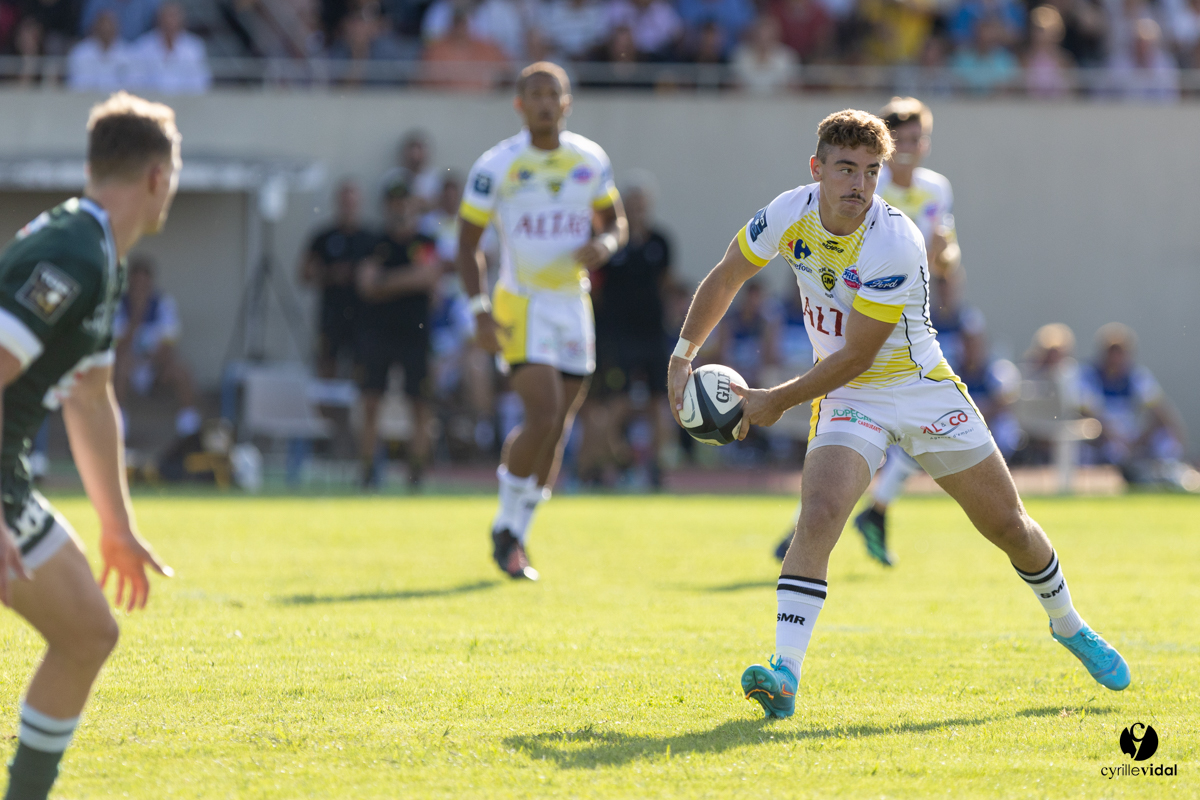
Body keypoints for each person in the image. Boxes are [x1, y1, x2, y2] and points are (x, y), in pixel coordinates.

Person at [666, 109, 1129, 720]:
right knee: (820, 512)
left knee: (1007, 525)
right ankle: (785, 673)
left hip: (920, 389)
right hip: (849, 397)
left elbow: (858, 355)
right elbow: (728, 275)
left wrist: (775, 400)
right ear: (817, 169)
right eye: (846, 169)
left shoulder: (895, 240)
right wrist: (682, 356)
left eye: (871, 171)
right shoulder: (787, 212)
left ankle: (1067, 623)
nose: (859, 184)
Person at [0, 91, 174, 800]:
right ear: (158, 177)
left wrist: (116, 527)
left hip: (8, 480)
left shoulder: (99, 251)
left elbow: (93, 397)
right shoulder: (75, 253)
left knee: (86, 633)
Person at [774, 96, 962, 566]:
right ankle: (815, 523)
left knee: (924, 429)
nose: (915, 147)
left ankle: (872, 511)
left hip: (912, 321)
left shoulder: (936, 189)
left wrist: (947, 257)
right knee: (850, 433)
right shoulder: (868, 190)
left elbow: (946, 252)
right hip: (857, 320)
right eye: (906, 139)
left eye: (921, 138)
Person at [456, 61, 626, 580]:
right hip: (522, 302)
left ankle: (517, 535)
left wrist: (605, 244)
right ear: (520, 104)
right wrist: (479, 311)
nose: (546, 103)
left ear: (567, 103)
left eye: (554, 94)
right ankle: (505, 525)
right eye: (536, 94)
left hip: (572, 304)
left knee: (560, 426)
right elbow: (466, 244)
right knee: (545, 412)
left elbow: (615, 222)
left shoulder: (589, 159)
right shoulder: (497, 165)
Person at [586, 176, 672, 488]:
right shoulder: (610, 243)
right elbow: (596, 288)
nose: (636, 209)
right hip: (617, 335)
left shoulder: (660, 242)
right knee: (615, 403)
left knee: (659, 400)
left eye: (641, 204)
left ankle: (656, 469)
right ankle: (614, 463)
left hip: (651, 333)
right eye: (631, 203)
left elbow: (665, 284)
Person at [354, 183, 440, 489]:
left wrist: (386, 282)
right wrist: (409, 280)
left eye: (405, 201)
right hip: (378, 334)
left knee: (420, 404)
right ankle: (367, 470)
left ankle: (415, 472)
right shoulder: (374, 242)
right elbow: (366, 286)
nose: (400, 208)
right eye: (394, 201)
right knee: (371, 401)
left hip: (415, 334)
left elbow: (429, 277)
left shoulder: (425, 242)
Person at [1081, 323, 1189, 486]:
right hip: (1100, 438)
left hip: (1130, 438)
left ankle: (1168, 474)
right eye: (1112, 352)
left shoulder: (1136, 376)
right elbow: (1088, 414)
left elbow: (1160, 410)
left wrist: (1143, 439)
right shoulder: (1089, 376)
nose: (1116, 358)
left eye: (1120, 353)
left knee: (1166, 441)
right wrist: (1116, 438)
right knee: (1111, 449)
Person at [112, 253, 201, 440]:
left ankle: (190, 427)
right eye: (136, 284)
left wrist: (151, 361)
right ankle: (119, 426)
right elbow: (118, 347)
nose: (140, 289)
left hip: (155, 368)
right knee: (120, 366)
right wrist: (136, 316)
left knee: (181, 371)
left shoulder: (163, 304)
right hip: (129, 368)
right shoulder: (118, 305)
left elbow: (169, 345)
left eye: (144, 284)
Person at [300, 180, 377, 380]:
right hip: (331, 314)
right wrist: (330, 274)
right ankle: (325, 401)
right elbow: (305, 273)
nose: (348, 207)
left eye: (352, 203)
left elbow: (379, 274)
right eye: (345, 202)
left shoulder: (371, 239)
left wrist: (361, 276)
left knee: (361, 368)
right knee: (327, 364)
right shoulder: (323, 237)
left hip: (362, 315)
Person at [129, 1, 211, 94]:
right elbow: (136, 82)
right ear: (158, 19)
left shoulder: (194, 47)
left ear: (182, 19)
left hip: (186, 100)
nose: (170, 21)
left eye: (174, 16)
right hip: (151, 100)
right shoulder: (142, 46)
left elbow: (200, 82)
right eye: (167, 16)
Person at [67, 9, 135, 92]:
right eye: (103, 26)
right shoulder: (80, 53)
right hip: (87, 99)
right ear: (95, 27)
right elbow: (76, 86)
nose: (106, 30)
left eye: (110, 26)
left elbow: (134, 87)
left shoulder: (129, 53)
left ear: (117, 28)